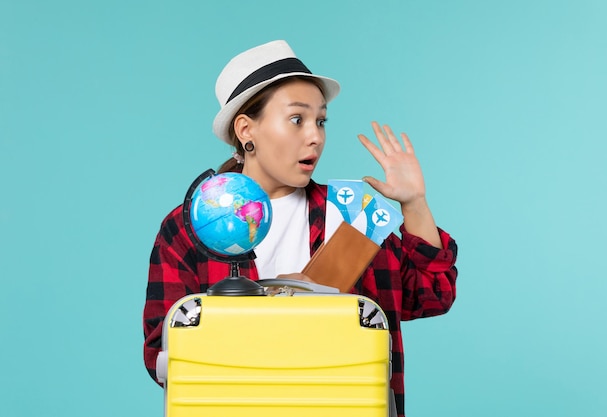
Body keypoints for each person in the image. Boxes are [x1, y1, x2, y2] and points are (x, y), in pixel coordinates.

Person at [143, 40, 458, 417]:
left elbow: (431, 295)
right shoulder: (191, 226)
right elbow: (165, 356)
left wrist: (414, 204)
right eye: (297, 119)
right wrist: (277, 299)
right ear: (247, 130)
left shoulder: (353, 216)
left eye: (321, 121)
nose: (316, 136)